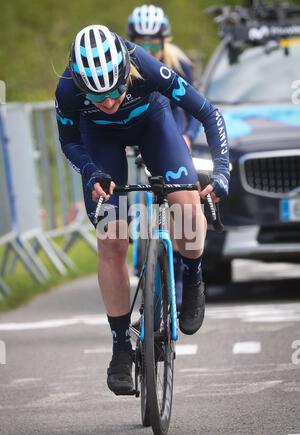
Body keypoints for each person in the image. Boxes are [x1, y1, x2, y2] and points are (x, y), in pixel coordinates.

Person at [55, 25, 230, 396]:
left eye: (116, 90)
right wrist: (91, 172)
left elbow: (209, 113)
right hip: (99, 142)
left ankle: (193, 275)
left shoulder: (146, 67)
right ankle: (120, 346)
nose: (109, 102)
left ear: (125, 72)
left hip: (153, 124)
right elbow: (69, 141)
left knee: (185, 206)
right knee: (112, 240)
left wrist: (222, 171)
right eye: (97, 96)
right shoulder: (68, 88)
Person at [127, 5, 200, 308]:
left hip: (173, 135)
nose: (148, 49)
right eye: (141, 43)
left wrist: (188, 136)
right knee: (132, 188)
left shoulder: (179, 64)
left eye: (154, 43)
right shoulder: (125, 67)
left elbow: (196, 108)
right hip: (141, 136)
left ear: (164, 41)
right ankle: (137, 237)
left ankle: (183, 276)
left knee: (180, 207)